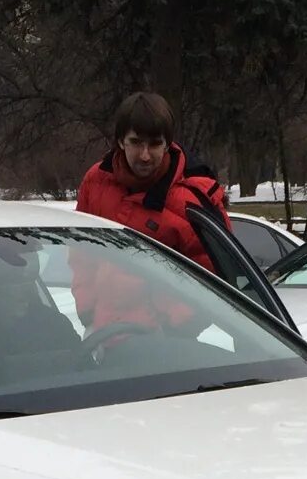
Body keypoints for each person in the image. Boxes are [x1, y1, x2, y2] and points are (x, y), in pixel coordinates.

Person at [73, 92, 231, 330]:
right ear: (120, 141)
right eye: (136, 142)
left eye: (155, 144)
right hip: (103, 333)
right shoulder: (95, 182)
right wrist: (87, 309)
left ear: (168, 143)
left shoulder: (192, 199)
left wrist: (177, 324)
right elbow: (81, 254)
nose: (145, 155)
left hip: (167, 343)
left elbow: (215, 274)